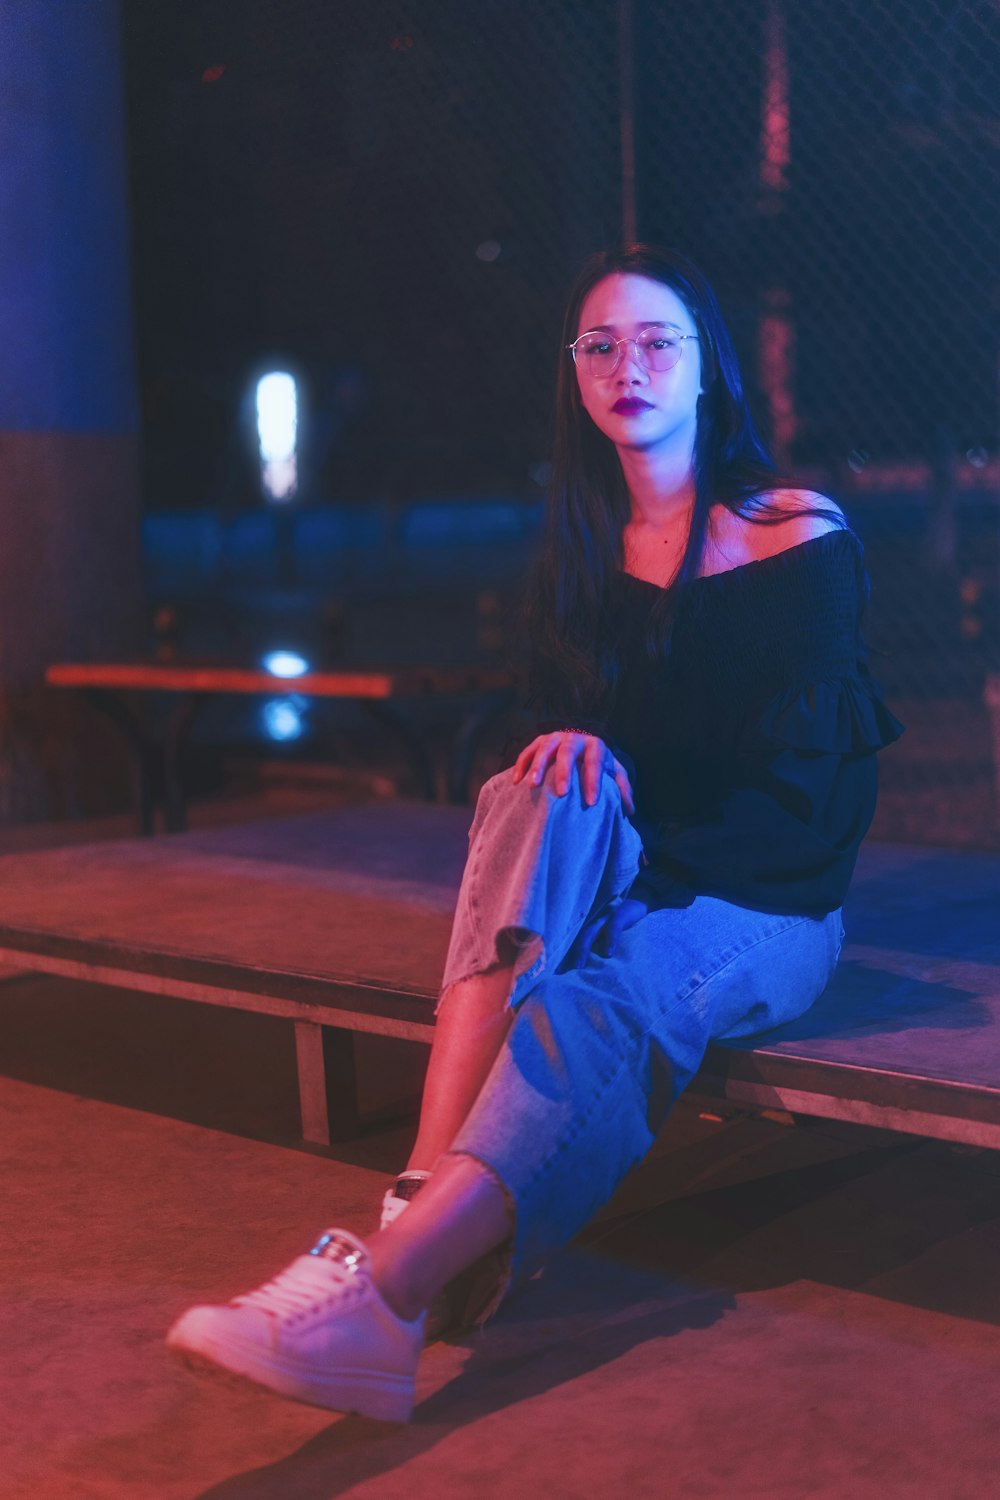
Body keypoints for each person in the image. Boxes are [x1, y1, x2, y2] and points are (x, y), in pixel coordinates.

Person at [167, 245, 904, 1422]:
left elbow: (813, 812)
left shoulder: (789, 538)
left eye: (657, 340)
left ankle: (388, 1293)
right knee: (537, 787)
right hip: (637, 872)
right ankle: (420, 1197)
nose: (628, 365)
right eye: (599, 345)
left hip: (763, 906)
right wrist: (575, 748)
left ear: (707, 366)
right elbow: (541, 719)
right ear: (575, 377)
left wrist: (638, 905)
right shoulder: (579, 557)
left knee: (601, 996)